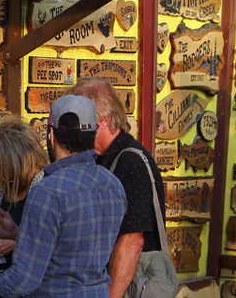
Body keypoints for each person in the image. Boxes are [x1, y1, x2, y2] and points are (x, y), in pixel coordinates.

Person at [0, 96, 124, 298]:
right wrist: (17, 233)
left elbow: (22, 279)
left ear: (51, 135)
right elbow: (69, 248)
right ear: (94, 133)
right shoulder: (113, 185)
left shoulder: (48, 191)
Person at [71, 78, 179, 298]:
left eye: (80, 120)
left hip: (129, 285)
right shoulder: (101, 158)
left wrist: (111, 295)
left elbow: (132, 241)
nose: (75, 129)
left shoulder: (131, 161)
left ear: (104, 121)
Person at [0, 117, 48, 282]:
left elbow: (52, 245)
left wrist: (16, 243)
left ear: (11, 156)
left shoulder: (45, 187)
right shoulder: (1, 185)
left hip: (24, 287)